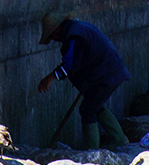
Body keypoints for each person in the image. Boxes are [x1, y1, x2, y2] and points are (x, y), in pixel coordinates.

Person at [38, 12, 131, 150]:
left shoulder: (75, 36)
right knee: (94, 105)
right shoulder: (77, 29)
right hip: (109, 72)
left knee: (88, 110)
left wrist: (51, 77)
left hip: (107, 74)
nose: (54, 39)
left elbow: (69, 65)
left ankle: (92, 151)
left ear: (56, 29)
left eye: (52, 36)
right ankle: (119, 139)